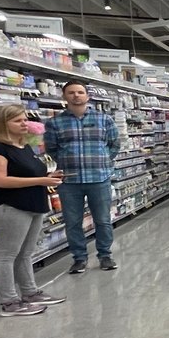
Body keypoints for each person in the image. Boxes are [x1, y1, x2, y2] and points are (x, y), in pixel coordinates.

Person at [0, 104, 67, 317]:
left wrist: (50, 177)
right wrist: (41, 180)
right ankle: (10, 303)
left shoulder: (24, 146)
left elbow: (30, 173)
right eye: (18, 120)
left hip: (33, 204)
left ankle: (30, 293)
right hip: (9, 207)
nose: (24, 124)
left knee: (25, 253)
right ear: (3, 124)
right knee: (7, 254)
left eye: (25, 119)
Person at [45, 80, 120, 273]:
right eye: (71, 92)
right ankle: (79, 258)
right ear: (64, 97)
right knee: (72, 221)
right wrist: (67, 161)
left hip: (99, 179)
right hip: (70, 181)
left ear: (87, 96)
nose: (76, 95)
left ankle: (105, 255)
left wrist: (103, 161)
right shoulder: (55, 123)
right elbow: (52, 149)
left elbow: (114, 145)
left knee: (102, 219)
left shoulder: (105, 120)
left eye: (80, 92)